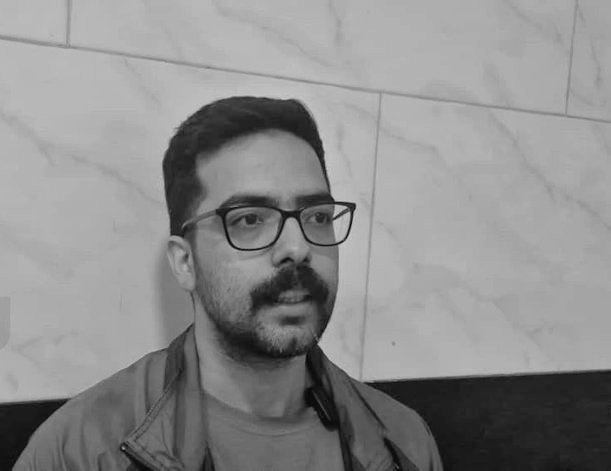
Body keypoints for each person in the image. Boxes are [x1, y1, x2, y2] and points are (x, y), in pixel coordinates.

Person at [14, 96, 443, 471]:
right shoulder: (79, 452)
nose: (297, 247)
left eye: (317, 217)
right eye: (250, 220)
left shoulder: (403, 443)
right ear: (185, 262)